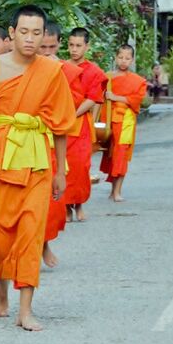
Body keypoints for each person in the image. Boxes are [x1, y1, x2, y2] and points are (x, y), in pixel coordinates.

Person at [0, 5, 76, 331]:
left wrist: (61, 170)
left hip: (36, 160)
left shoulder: (51, 71)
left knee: (31, 234)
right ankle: (1, 284)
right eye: (24, 32)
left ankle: (26, 309)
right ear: (11, 33)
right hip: (0, 159)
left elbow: (61, 123)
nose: (31, 39)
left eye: (37, 32)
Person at [39, 23, 85, 268]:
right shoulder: (19, 67)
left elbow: (71, 107)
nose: (46, 52)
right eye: (41, 46)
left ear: (58, 45)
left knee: (49, 203)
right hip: (23, 140)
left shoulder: (65, 71)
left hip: (49, 140)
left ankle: (44, 244)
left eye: (51, 47)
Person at [64, 27, 107, 222]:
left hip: (80, 124)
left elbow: (93, 97)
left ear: (87, 46)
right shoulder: (61, 68)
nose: (74, 50)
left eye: (78, 46)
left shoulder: (94, 71)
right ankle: (65, 207)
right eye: (71, 45)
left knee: (80, 166)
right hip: (62, 123)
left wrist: (74, 113)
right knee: (63, 166)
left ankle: (79, 204)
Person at [100, 44, 148, 202]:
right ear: (115, 57)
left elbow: (136, 100)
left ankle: (117, 191)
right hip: (108, 119)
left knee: (121, 153)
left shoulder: (137, 81)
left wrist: (116, 97)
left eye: (127, 58)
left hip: (126, 120)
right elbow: (99, 98)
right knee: (111, 154)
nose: (123, 61)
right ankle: (113, 190)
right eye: (121, 57)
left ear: (132, 60)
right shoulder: (107, 78)